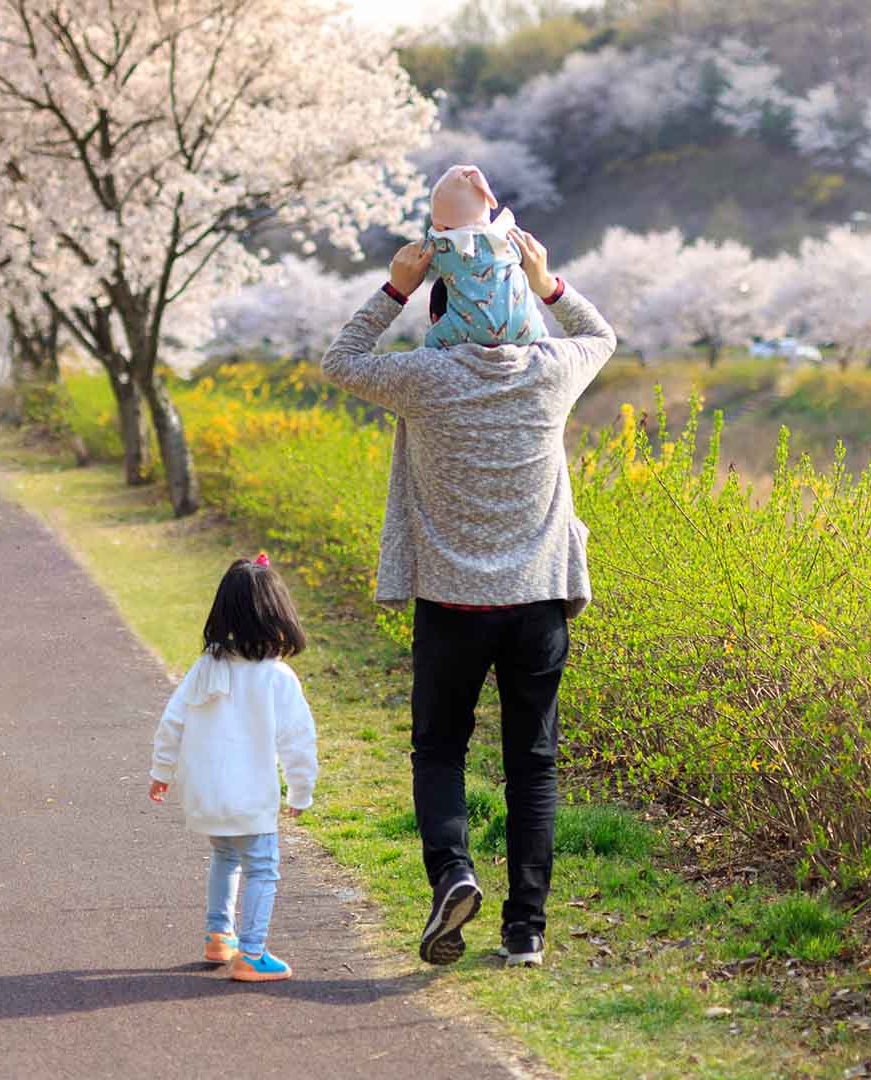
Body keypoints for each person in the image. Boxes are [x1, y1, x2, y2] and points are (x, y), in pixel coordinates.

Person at [322, 227, 615, 970]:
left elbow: (340, 361)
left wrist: (396, 286)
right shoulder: (551, 368)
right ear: (516, 304)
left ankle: (453, 873)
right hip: (539, 603)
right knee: (533, 763)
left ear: (441, 310)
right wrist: (548, 281)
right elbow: (601, 333)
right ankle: (526, 931)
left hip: (452, 605)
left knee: (442, 749)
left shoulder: (424, 376)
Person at [148, 553, 319, 982]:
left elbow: (174, 720)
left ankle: (218, 934)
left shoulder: (205, 668)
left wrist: (162, 772)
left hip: (206, 792)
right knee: (263, 867)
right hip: (250, 796)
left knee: (225, 855)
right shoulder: (276, 678)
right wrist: (301, 791)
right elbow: (298, 741)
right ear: (277, 615)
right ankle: (252, 953)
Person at [422, 164, 547, 350]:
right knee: (543, 337)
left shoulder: (443, 247)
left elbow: (417, 265)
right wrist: (545, 283)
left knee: (431, 343)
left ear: (440, 223)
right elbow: (528, 257)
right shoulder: (508, 235)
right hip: (524, 327)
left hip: (469, 331)